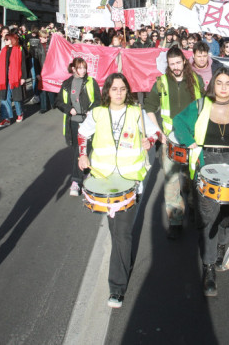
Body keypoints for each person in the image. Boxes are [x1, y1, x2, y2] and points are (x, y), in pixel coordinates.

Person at [172, 67, 229, 297]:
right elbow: (179, 122)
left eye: (227, 84)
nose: (223, 88)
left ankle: (222, 243)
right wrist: (188, 140)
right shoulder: (200, 106)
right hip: (206, 163)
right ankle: (209, 266)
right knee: (207, 217)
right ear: (213, 85)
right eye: (219, 83)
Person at [77, 73, 161, 309]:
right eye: (115, 89)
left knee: (122, 234)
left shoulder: (136, 112)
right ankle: (122, 262)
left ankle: (117, 287)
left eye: (123, 89)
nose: (119, 93)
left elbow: (154, 132)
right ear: (107, 91)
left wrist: (150, 141)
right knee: (116, 231)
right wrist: (82, 154)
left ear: (128, 91)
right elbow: (83, 134)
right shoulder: (98, 113)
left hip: (131, 181)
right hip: (103, 181)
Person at [143, 47, 204, 239]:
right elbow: (149, 108)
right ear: (168, 64)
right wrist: (158, 132)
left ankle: (194, 206)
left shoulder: (196, 81)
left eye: (178, 63)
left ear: (184, 61)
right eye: (172, 64)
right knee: (170, 181)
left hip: (192, 141)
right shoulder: (161, 83)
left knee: (192, 178)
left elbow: (205, 107)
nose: (176, 67)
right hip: (169, 140)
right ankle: (175, 220)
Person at [54, 57, 100, 196]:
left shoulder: (91, 82)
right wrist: (69, 109)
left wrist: (91, 109)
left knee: (82, 151)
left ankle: (75, 181)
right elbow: (58, 101)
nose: (83, 70)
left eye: (84, 68)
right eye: (80, 68)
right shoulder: (67, 84)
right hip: (73, 123)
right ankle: (85, 172)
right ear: (73, 68)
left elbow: (98, 100)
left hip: (89, 123)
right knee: (79, 151)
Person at [0, 32, 27, 126]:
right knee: (5, 97)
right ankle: (6, 118)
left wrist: (23, 77)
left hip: (15, 76)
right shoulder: (3, 50)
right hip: (4, 76)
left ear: (12, 40)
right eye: (4, 39)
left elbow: (23, 64)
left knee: (16, 97)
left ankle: (19, 113)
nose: (5, 41)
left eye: (7, 39)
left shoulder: (19, 49)